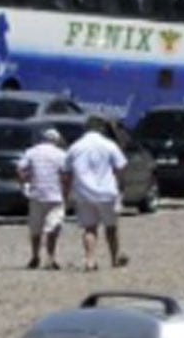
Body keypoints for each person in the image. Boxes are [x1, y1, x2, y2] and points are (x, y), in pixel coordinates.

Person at [65, 115, 129, 271]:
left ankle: (90, 259)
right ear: (101, 129)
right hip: (107, 191)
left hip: (84, 192)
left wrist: (67, 192)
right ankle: (114, 258)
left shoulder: (75, 147)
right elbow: (121, 166)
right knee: (111, 227)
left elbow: (66, 171)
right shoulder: (109, 145)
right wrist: (119, 184)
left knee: (89, 228)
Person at [16, 127, 69, 270]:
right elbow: (65, 176)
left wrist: (25, 183)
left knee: (35, 228)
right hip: (55, 195)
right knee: (53, 228)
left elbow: (20, 169)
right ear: (56, 141)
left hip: (36, 194)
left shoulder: (32, 152)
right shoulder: (61, 154)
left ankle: (35, 256)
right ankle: (50, 258)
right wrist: (66, 193)